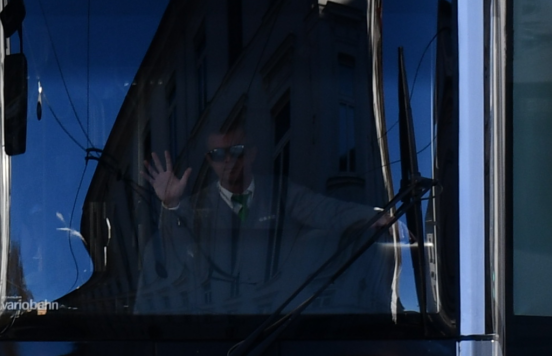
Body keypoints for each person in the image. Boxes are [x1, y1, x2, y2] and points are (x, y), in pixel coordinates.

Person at [141, 116, 388, 313]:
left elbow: (329, 211)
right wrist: (171, 204)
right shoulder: (195, 207)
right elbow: (173, 256)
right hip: (219, 320)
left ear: (251, 153)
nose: (227, 160)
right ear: (209, 160)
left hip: (278, 318)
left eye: (236, 150)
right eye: (217, 154)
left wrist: (379, 217)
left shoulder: (281, 193)